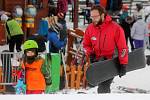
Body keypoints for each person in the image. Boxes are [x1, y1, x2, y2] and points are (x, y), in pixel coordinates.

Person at [82, 5, 128, 93]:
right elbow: (86, 45)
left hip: (112, 61)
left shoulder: (116, 28)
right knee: (98, 84)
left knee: (103, 86)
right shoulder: (90, 28)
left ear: (102, 15)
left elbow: (123, 48)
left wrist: (123, 64)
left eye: (95, 17)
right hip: (98, 61)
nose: (93, 19)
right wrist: (90, 53)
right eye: (92, 17)